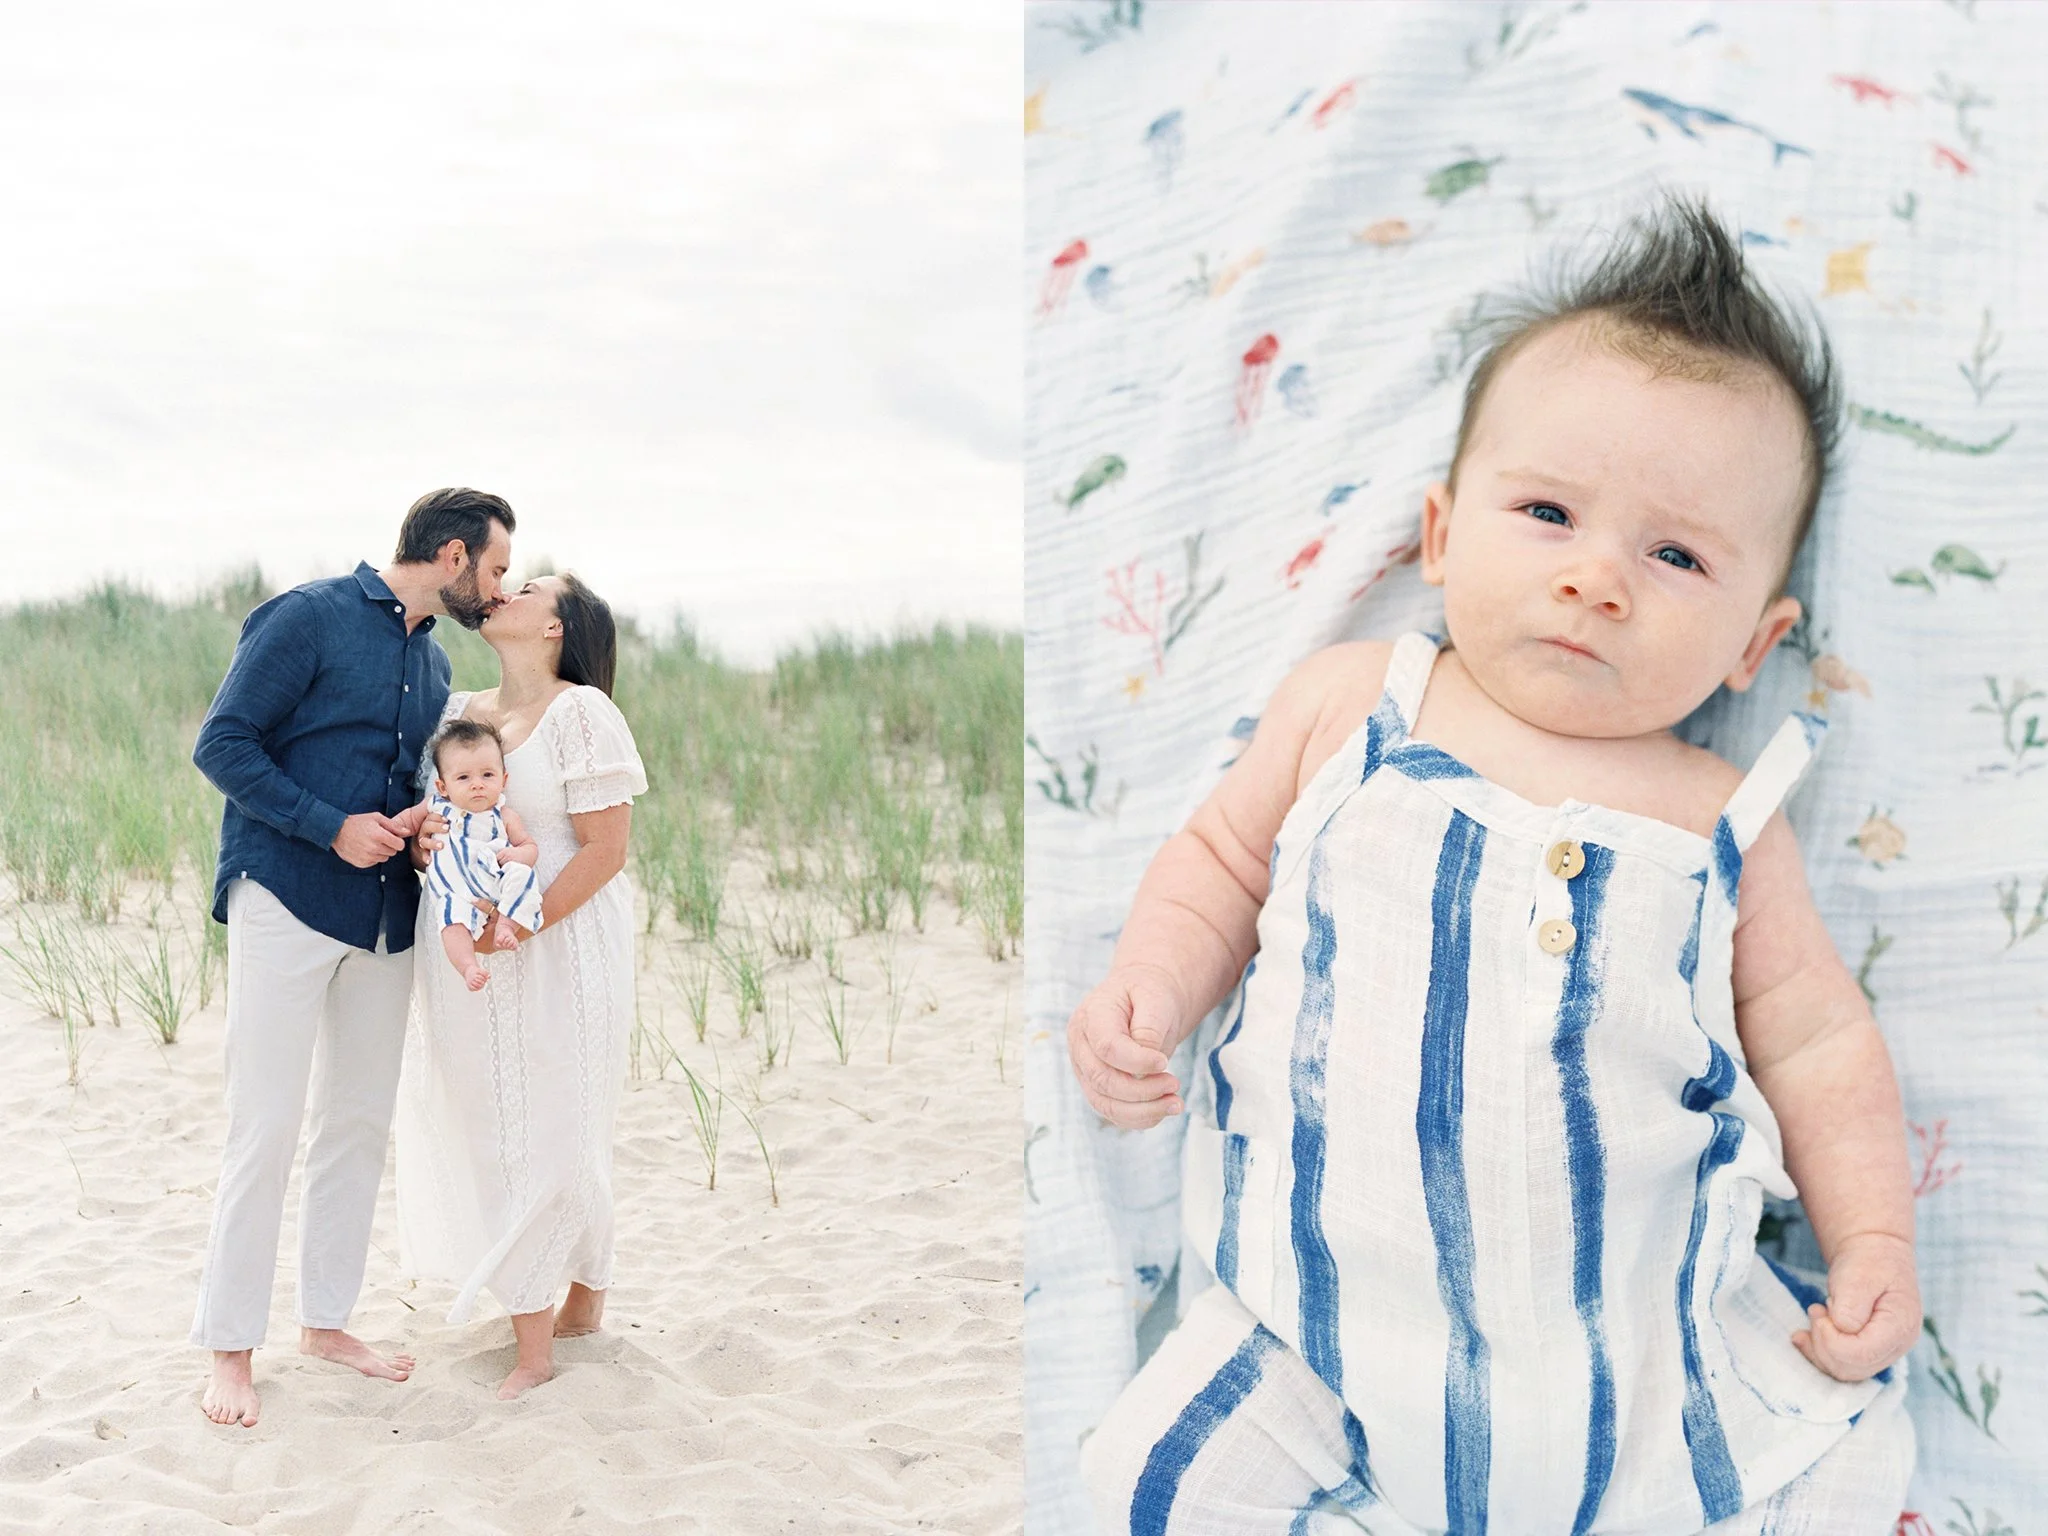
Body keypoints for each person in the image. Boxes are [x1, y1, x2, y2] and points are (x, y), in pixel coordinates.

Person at [1068, 200, 1920, 1533]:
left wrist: (1874, 1241)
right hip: (1319, 1346)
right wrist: (1150, 994)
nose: (1598, 579)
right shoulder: (1357, 699)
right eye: (1548, 512)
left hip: (1645, 1370)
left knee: (1853, 1461)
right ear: (1442, 534)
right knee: (1151, 1476)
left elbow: (1818, 1044)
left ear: (1757, 644)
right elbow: (1220, 862)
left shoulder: (1725, 813)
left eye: (1677, 554)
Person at [189, 487, 516, 1428]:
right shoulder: (309, 616)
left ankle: (325, 1322)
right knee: (265, 1125)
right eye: (492, 569)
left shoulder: (436, 656)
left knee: (357, 1123)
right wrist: (329, 826)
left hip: (386, 919)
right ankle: (229, 1350)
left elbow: (416, 785)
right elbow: (223, 744)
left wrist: (416, 831)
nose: (494, 591)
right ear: (452, 556)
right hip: (285, 897)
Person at [394, 571, 646, 1401]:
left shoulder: (581, 713)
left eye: (531, 584)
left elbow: (604, 851)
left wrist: (523, 927)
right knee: (486, 1124)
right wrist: (430, 844)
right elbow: (439, 817)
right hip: (470, 954)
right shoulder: (460, 711)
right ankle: (567, 1310)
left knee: (557, 1125)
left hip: (556, 945)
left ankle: (541, 1341)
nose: (507, 586)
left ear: (555, 627)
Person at [420, 717, 544, 991]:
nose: (477, 784)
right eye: (463, 778)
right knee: (450, 916)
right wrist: (399, 829)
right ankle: (467, 966)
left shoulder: (504, 815)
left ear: (503, 780)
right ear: (443, 787)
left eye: (487, 775)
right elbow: (408, 823)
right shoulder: (438, 807)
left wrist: (520, 855)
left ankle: (507, 925)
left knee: (523, 877)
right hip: (459, 889)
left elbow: (529, 846)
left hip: (494, 878)